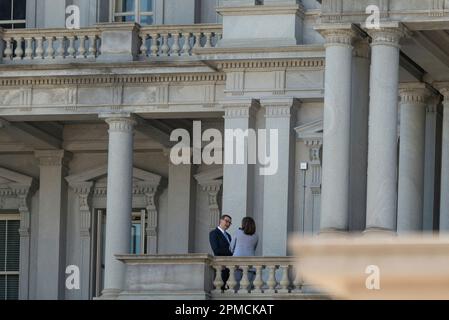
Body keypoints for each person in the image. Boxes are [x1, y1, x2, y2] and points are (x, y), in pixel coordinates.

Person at [209, 214, 233, 290]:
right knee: (220, 289)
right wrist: (231, 252)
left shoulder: (229, 236)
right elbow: (216, 250)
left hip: (229, 266)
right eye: (226, 221)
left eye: (230, 223)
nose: (228, 224)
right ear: (221, 220)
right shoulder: (214, 233)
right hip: (220, 265)